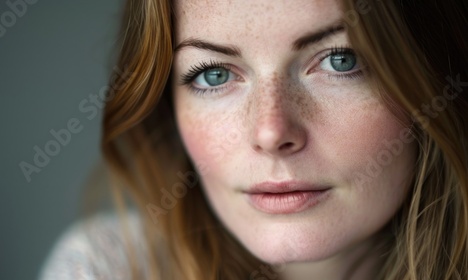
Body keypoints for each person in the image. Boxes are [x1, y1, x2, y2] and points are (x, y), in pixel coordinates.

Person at [40, 0, 468, 279]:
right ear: (167, 107)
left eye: (341, 60)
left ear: (431, 78)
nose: (271, 131)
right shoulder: (109, 268)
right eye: (215, 74)